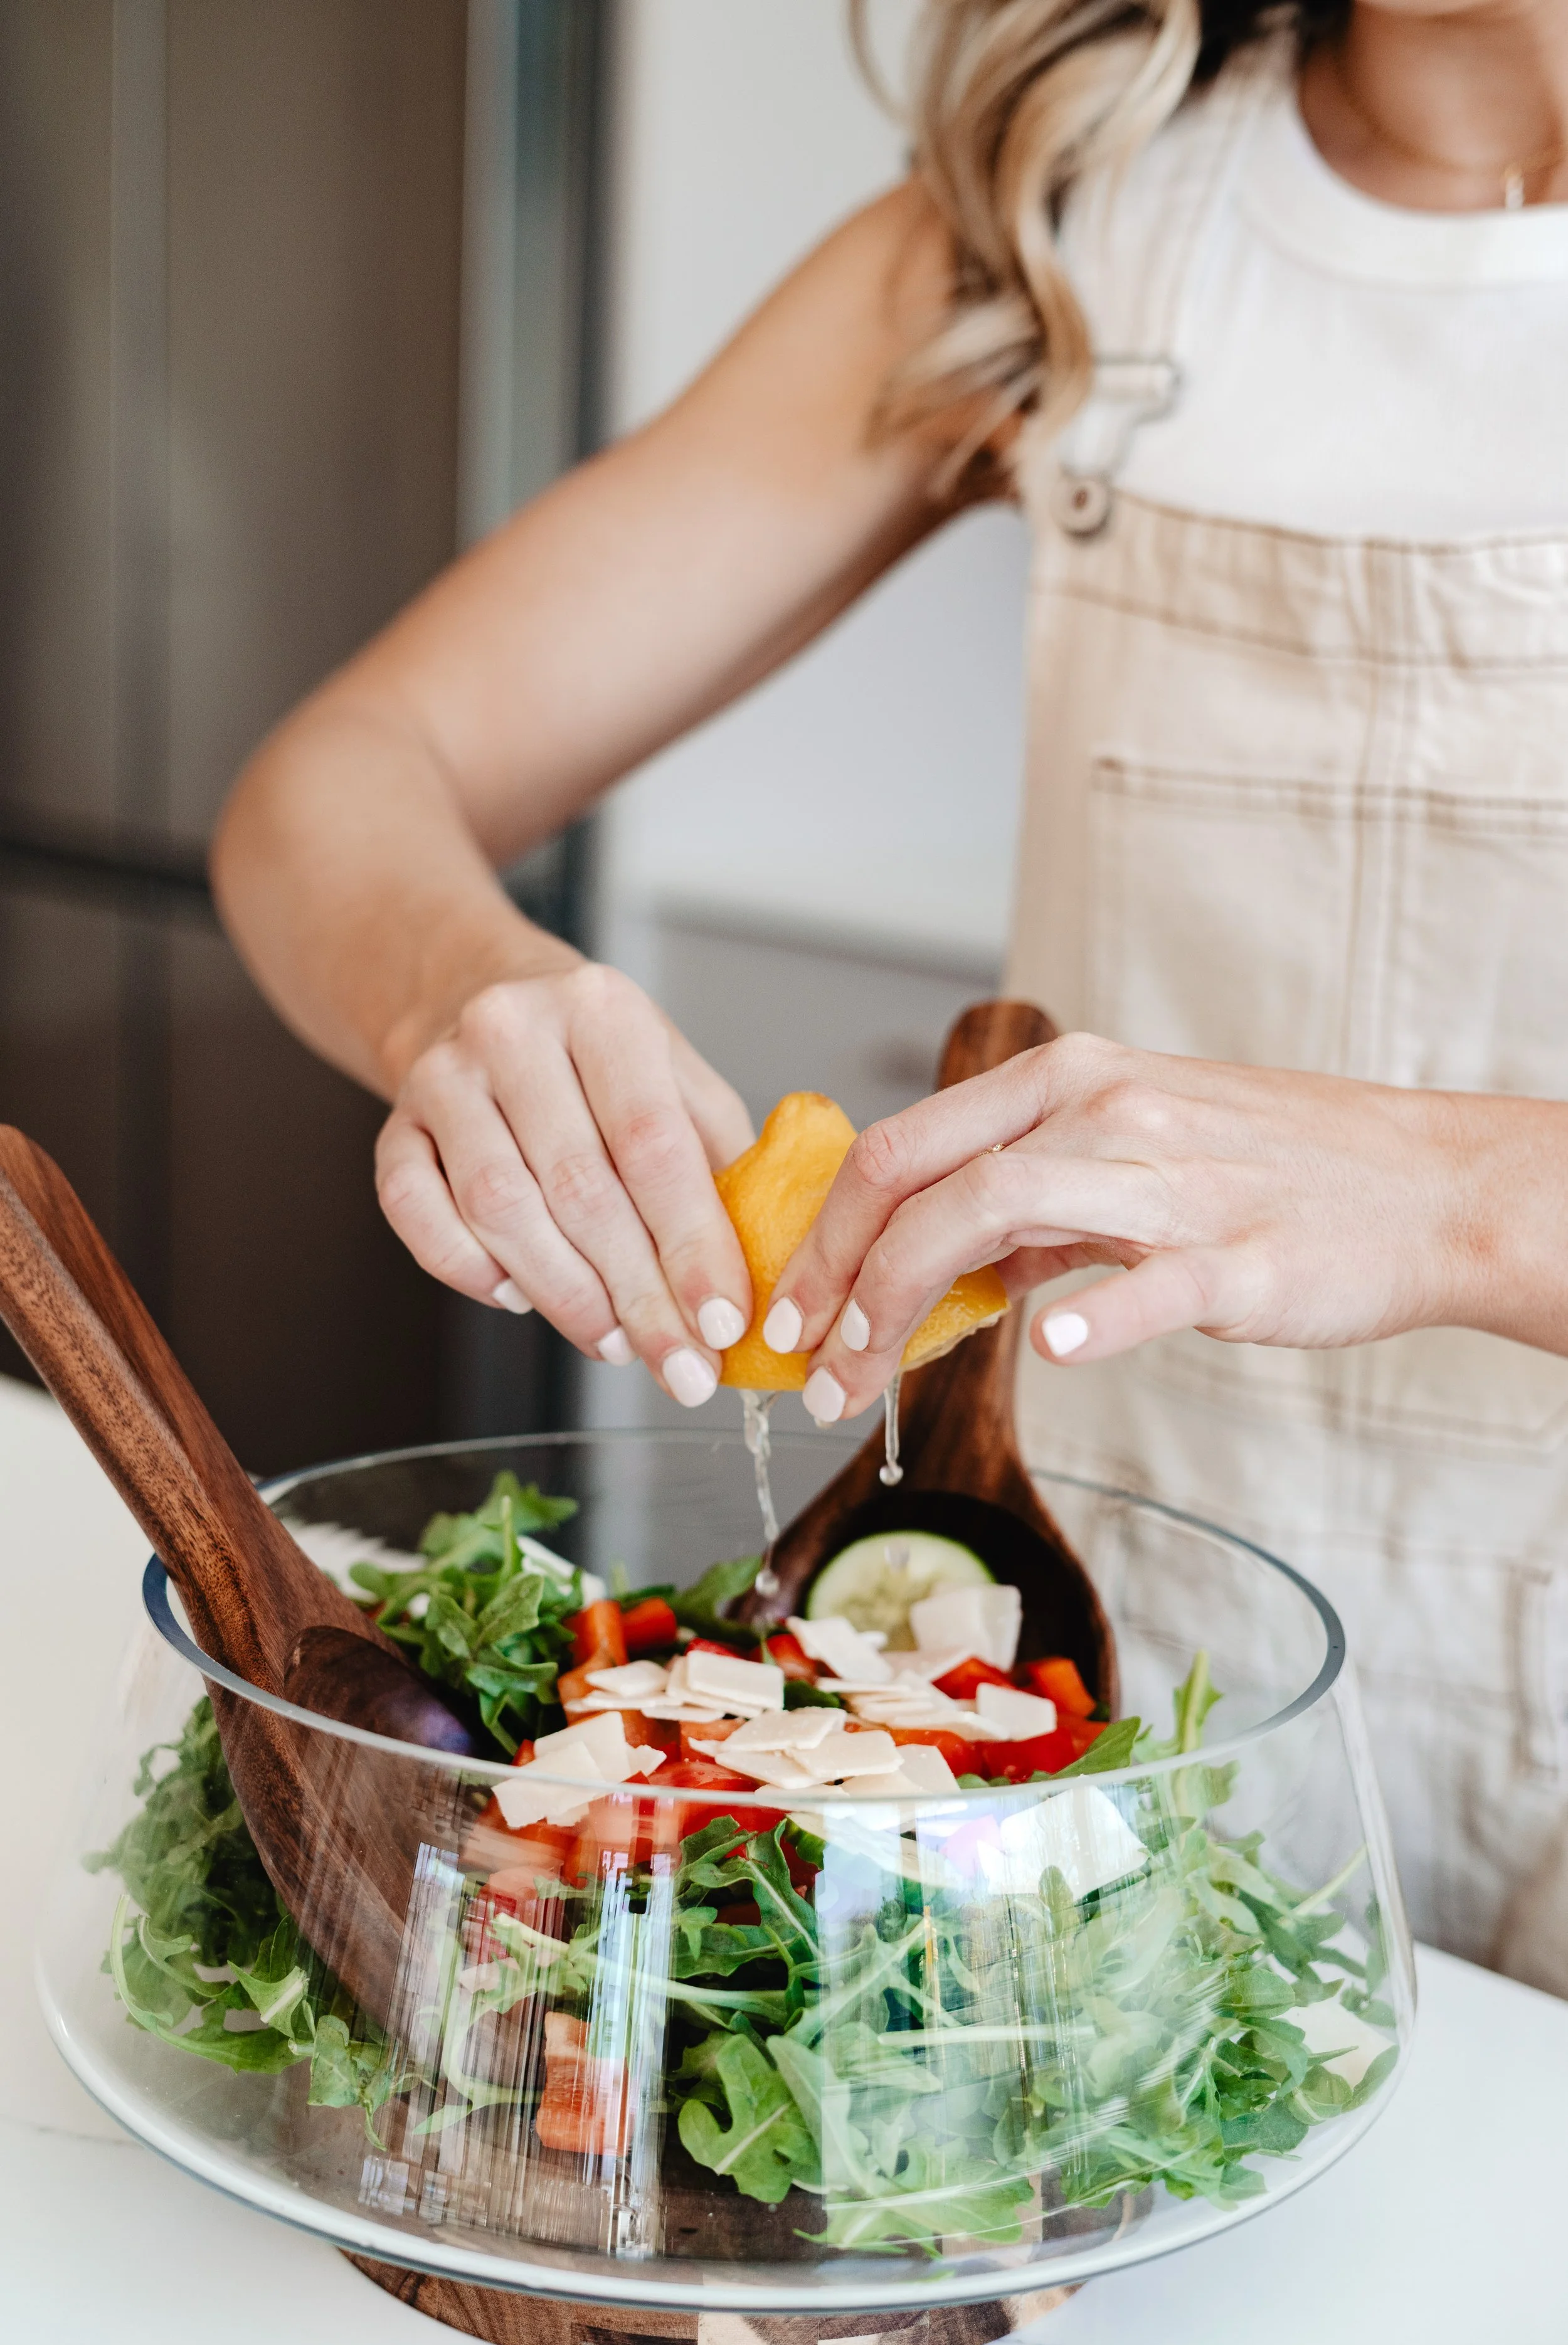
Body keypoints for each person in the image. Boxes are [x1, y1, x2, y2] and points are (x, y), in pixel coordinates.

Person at [213, 0, 1568, 1990]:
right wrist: (464, 993)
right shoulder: (1051, 227)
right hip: (1087, 1682)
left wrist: (1457, 1197)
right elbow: (334, 788)